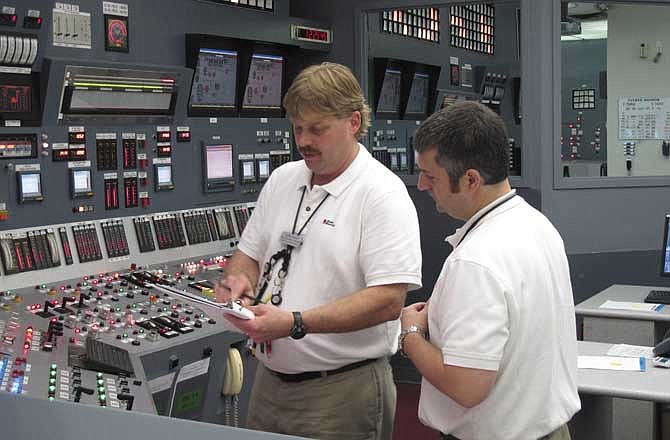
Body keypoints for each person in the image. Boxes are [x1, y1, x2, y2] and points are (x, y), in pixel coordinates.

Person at [215, 62, 422, 440]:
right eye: (297, 128)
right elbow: (249, 253)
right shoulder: (283, 179)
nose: (304, 140)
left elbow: (388, 300)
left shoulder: (382, 194)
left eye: (317, 129)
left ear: (353, 123)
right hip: (268, 385)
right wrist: (237, 281)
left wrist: (294, 322)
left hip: (342, 392)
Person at [399, 101, 580, 440]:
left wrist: (410, 335)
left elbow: (467, 387)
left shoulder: (477, 261)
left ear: (470, 180)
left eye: (431, 176)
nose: (422, 186)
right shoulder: (536, 225)